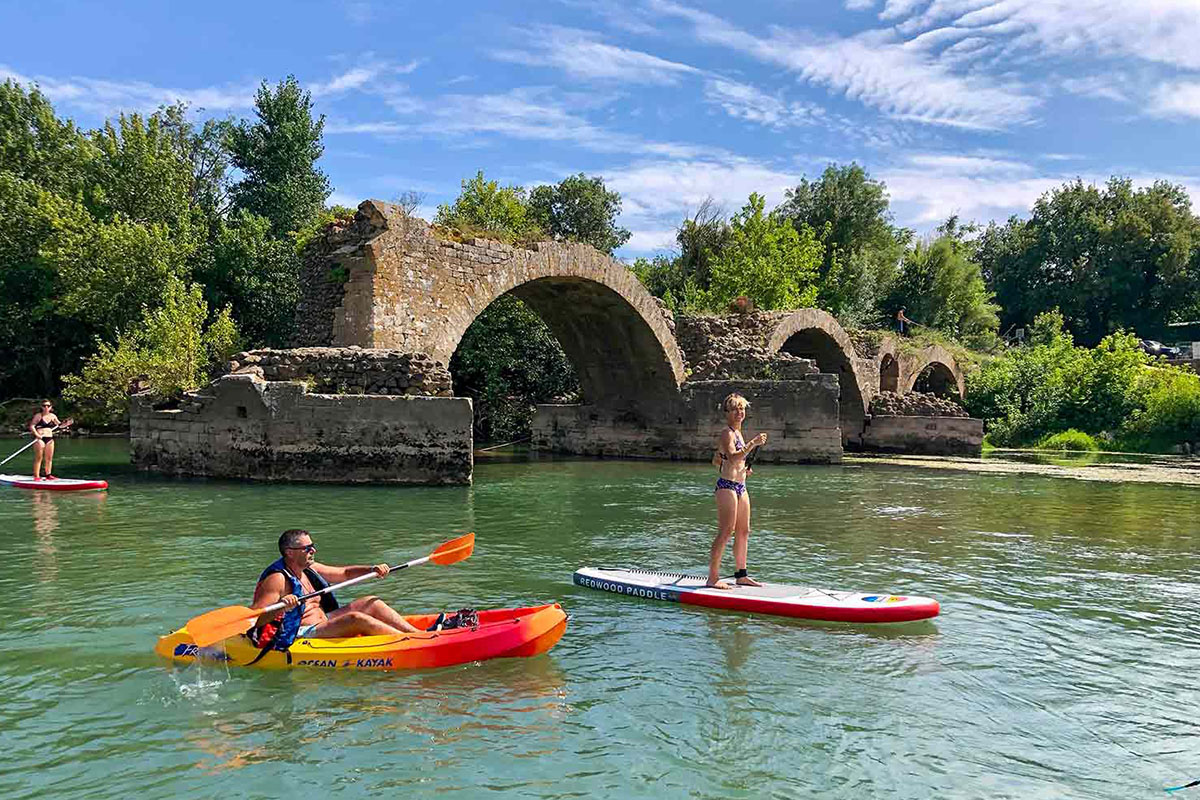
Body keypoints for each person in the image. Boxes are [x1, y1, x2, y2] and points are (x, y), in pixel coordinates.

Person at [250, 529, 420, 652]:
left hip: (324, 620)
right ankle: (409, 645)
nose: (313, 551)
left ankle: (418, 635)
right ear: (290, 553)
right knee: (355, 619)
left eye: (313, 546)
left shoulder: (310, 567)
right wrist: (282, 606)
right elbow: (255, 619)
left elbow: (344, 573)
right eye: (307, 548)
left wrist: (372, 570)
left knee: (371, 602)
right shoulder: (277, 578)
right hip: (299, 632)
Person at [707, 393, 767, 589]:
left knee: (744, 531)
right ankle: (713, 578)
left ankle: (741, 575)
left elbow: (724, 460)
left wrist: (744, 470)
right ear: (727, 413)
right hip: (726, 487)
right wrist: (753, 443)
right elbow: (732, 457)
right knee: (726, 531)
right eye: (734, 409)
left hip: (741, 486)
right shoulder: (727, 433)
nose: (739, 412)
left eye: (741, 409)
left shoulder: (739, 433)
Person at [28, 400, 72, 481]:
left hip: (49, 438)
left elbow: (59, 425)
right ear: (41, 407)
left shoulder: (53, 416)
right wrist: (37, 435)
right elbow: (32, 426)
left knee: (49, 458)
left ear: (51, 407)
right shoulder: (38, 415)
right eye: (44, 406)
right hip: (40, 438)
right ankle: (36, 476)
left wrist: (66, 424)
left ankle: (48, 475)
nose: (46, 407)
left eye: (48, 406)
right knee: (39, 458)